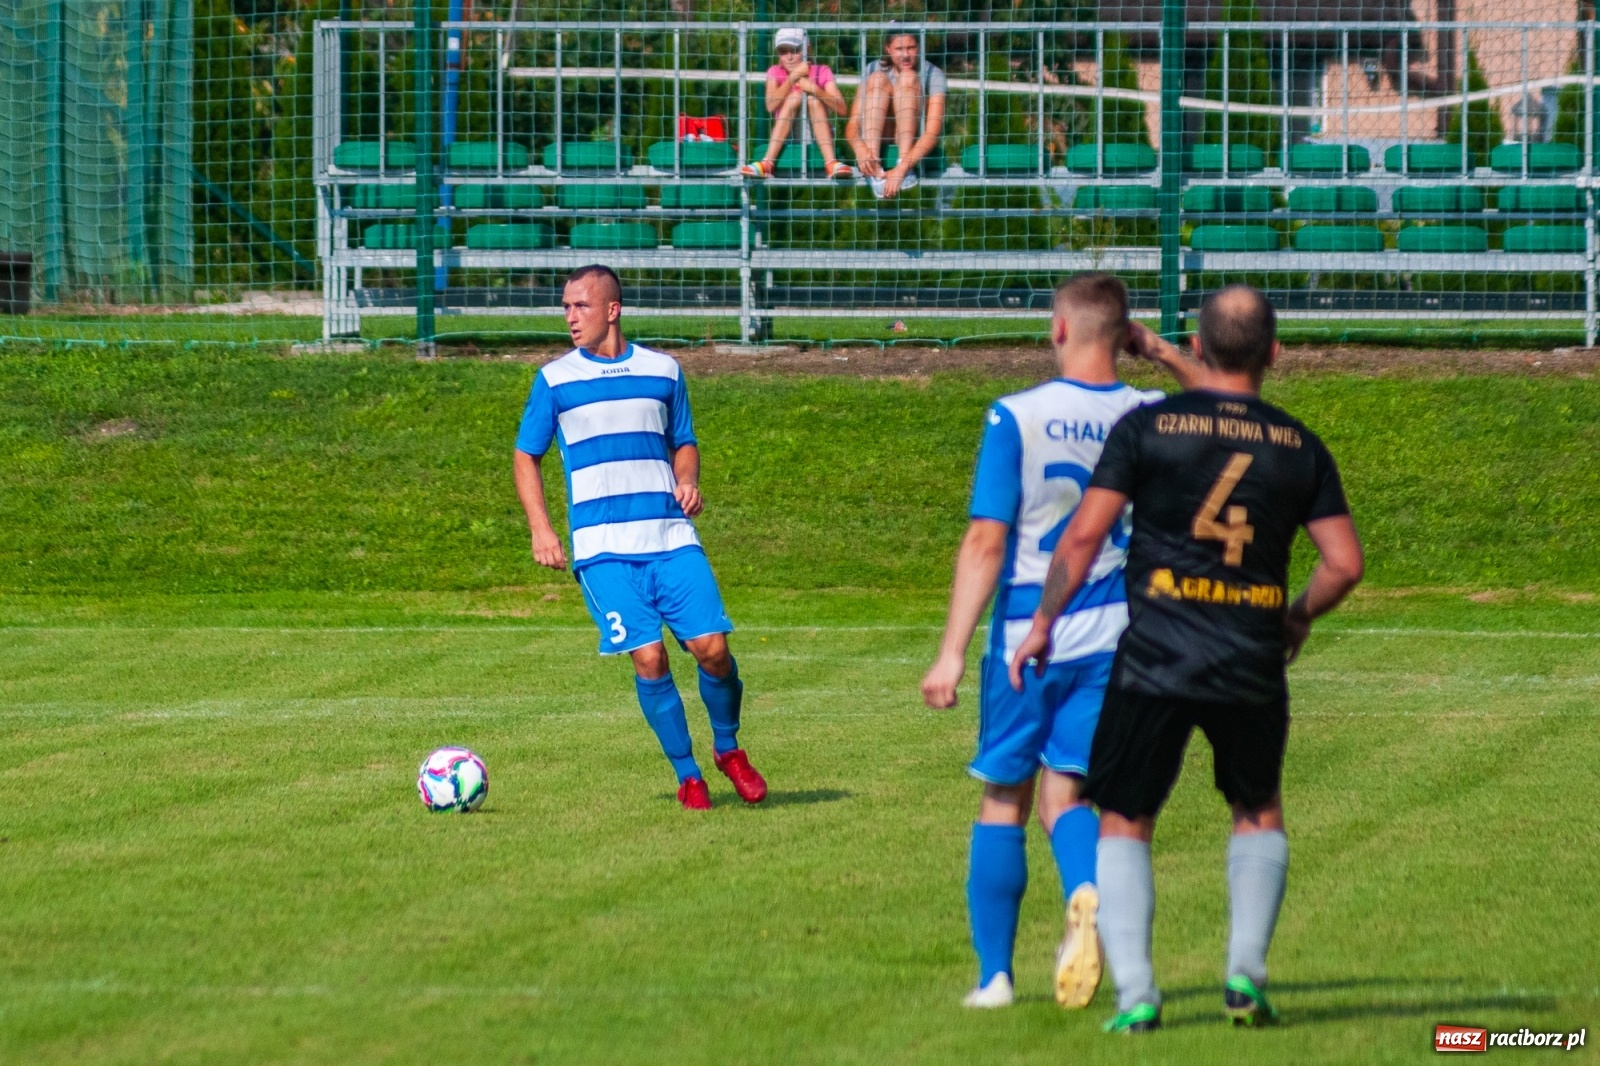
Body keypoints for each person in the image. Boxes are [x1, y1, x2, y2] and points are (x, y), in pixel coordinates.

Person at [1008, 286, 1365, 1033]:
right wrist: (1297, 616)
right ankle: (1247, 976)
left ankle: (1138, 993)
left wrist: (1043, 622)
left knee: (1125, 819)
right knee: (1256, 809)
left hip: (1155, 657)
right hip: (1249, 656)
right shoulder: (1299, 445)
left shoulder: (1147, 428)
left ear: (1198, 346)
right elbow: (1344, 563)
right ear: (1274, 353)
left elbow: (1079, 542)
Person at [920, 274, 1202, 1010]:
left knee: (1003, 800)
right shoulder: (1154, 413)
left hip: (1026, 630)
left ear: (1058, 330)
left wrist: (952, 649)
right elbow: (1225, 405)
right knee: (1067, 791)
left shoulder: (1017, 415)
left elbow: (986, 539)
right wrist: (1164, 352)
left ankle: (995, 979)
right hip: (1116, 632)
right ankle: (1084, 888)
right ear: (1124, 337)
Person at [512, 265, 769, 812]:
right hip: (603, 550)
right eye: (564, 307)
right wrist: (541, 528)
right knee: (649, 658)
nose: (569, 317)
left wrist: (688, 478)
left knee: (714, 651)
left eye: (579, 306)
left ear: (612, 308)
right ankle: (689, 774)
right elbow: (525, 456)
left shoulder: (665, 370)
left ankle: (728, 749)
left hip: (671, 538)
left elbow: (685, 441)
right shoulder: (554, 380)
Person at [844, 32, 947, 198]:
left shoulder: (932, 73)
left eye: (911, 48)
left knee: (908, 77)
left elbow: (933, 132)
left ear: (919, 48)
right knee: (877, 79)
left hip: (910, 140)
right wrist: (860, 149)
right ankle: (873, 166)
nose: (905, 55)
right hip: (877, 137)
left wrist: (902, 168)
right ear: (888, 49)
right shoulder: (872, 68)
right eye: (899, 49)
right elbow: (853, 123)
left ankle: (903, 163)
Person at [740, 27, 852, 180]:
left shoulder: (822, 71)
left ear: (807, 48)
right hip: (786, 134)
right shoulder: (774, 71)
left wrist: (814, 89)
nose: (789, 57)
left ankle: (831, 162)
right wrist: (792, 78)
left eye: (795, 50)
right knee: (795, 97)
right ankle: (767, 162)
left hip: (818, 132)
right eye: (783, 52)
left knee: (811, 99)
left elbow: (842, 108)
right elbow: (770, 105)